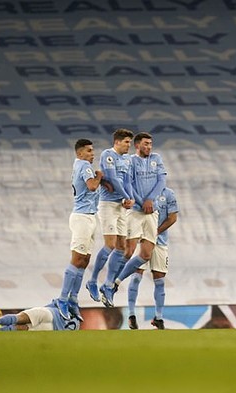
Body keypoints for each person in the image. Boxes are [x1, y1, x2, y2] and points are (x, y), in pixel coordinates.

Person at [100, 132, 166, 309]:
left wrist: (150, 199)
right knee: (127, 251)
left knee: (145, 254)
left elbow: (161, 181)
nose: (149, 147)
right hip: (136, 211)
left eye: (150, 144)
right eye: (145, 144)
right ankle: (107, 283)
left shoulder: (157, 158)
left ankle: (115, 283)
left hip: (152, 211)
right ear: (137, 145)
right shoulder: (130, 161)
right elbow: (127, 182)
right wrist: (139, 201)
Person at [55, 139, 104, 321]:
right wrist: (99, 176)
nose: (93, 154)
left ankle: (74, 299)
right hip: (82, 217)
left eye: (93, 151)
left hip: (90, 217)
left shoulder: (81, 165)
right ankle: (62, 299)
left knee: (84, 260)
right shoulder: (84, 166)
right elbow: (92, 186)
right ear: (80, 153)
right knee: (77, 259)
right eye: (89, 151)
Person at [86, 128, 134, 303]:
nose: (129, 145)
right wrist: (127, 196)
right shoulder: (108, 155)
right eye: (127, 142)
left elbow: (127, 180)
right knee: (110, 244)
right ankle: (92, 281)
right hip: (108, 205)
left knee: (121, 247)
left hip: (121, 206)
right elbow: (113, 179)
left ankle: (107, 284)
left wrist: (131, 198)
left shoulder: (127, 159)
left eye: (130, 142)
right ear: (117, 142)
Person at [125, 187, 179, 330]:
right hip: (141, 240)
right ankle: (131, 315)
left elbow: (173, 217)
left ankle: (159, 318)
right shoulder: (139, 191)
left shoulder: (168, 193)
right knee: (136, 277)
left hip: (160, 242)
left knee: (160, 281)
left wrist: (155, 232)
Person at [0, 300, 81, 331]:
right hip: (52, 328)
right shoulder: (78, 324)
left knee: (18, 318)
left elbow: (49, 305)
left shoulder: (64, 303)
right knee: (23, 328)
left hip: (49, 313)